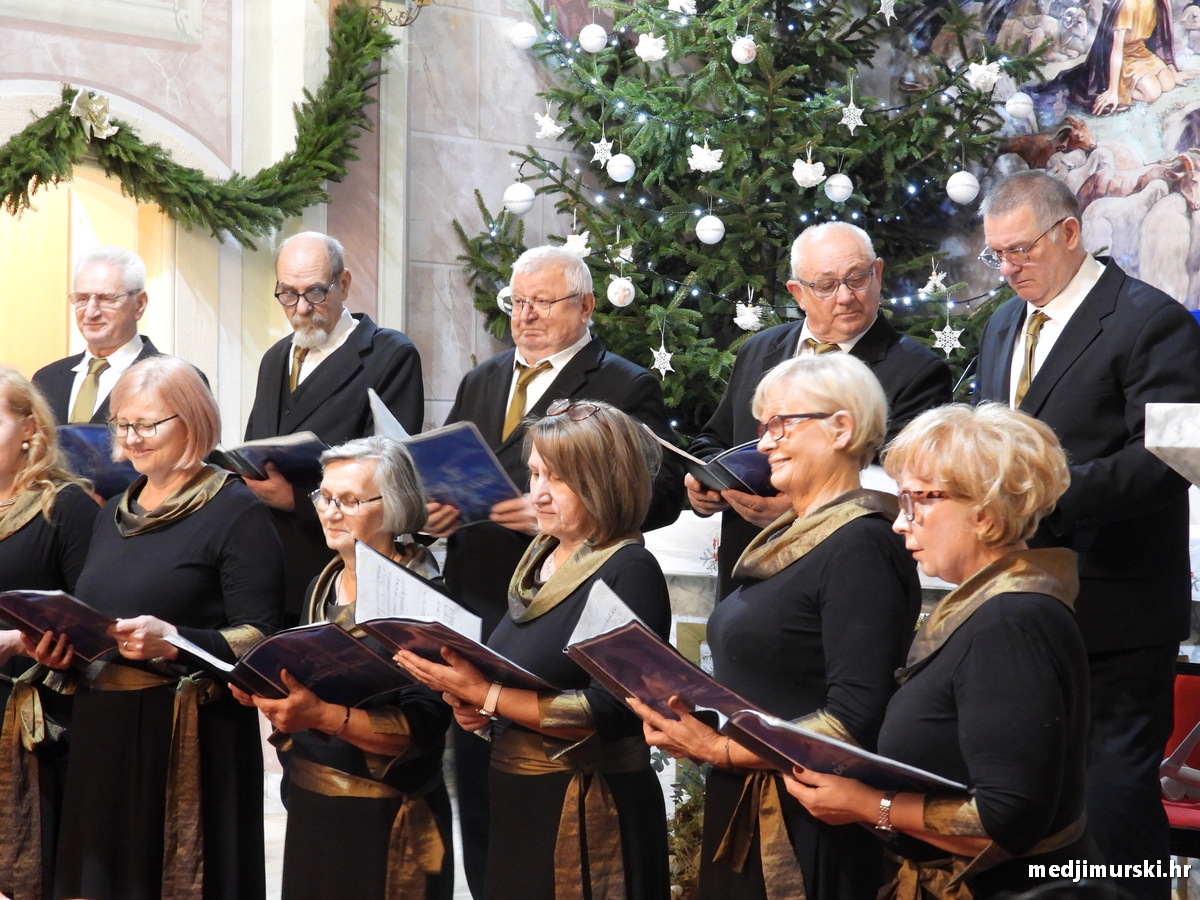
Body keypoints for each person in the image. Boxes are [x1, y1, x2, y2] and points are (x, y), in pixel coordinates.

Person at [424, 244, 684, 897]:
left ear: (586, 306)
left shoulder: (624, 383)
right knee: (486, 796)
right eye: (517, 302)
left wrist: (551, 510)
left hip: (578, 593)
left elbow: (656, 488)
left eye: (543, 301)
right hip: (488, 594)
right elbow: (459, 465)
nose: (526, 315)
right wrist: (441, 507)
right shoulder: (484, 380)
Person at [976, 170, 1200, 900]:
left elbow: (1178, 456)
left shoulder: (1151, 321)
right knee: (1035, 791)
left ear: (1070, 233)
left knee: (1110, 790)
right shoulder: (1004, 323)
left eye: (1021, 252)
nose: (1008, 271)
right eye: (996, 256)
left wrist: (1047, 500)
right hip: (1018, 597)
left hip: (1117, 606)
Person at [631, 353, 922, 900]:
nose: (763, 444)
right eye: (763, 427)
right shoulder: (792, 537)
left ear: (842, 428)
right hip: (750, 796)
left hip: (809, 820)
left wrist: (721, 750)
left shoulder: (861, 543)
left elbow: (855, 716)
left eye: (781, 425)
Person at [785, 403, 1093, 899]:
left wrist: (868, 804)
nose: (899, 524)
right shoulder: (990, 606)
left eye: (916, 502)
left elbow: (1006, 820)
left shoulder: (1011, 621)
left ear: (985, 513)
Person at [26, 355, 284, 900]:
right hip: (101, 729)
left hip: (185, 736)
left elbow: (259, 639)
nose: (132, 438)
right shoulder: (112, 512)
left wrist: (177, 640)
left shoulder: (236, 511)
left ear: (192, 421)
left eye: (148, 424)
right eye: (122, 424)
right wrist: (62, 647)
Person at [399, 401, 671, 900]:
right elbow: (525, 683)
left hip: (588, 812)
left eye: (559, 479)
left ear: (606, 482)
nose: (537, 495)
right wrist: (477, 708)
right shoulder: (540, 557)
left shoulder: (628, 569)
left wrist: (487, 695)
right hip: (520, 800)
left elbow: (612, 710)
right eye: (534, 473)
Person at [234, 436, 453, 900]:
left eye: (350, 501)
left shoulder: (421, 597)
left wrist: (320, 716)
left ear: (395, 508)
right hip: (316, 804)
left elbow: (424, 725)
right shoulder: (324, 580)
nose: (330, 512)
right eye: (325, 497)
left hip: (386, 819)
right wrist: (264, 689)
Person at [689, 221, 951, 600]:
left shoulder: (917, 370)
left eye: (857, 279)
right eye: (826, 286)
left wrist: (799, 507)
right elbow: (715, 438)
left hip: (845, 573)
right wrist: (704, 484)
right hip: (745, 568)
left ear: (878, 274)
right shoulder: (759, 349)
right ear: (798, 293)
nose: (845, 297)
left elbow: (908, 482)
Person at [243, 231, 424, 625]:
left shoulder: (390, 355)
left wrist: (295, 499)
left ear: (343, 284)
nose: (301, 308)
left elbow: (393, 482)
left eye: (315, 292)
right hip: (269, 563)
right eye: (288, 294)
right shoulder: (275, 359)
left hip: (340, 569)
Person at [0, 369, 98, 900]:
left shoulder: (66, 507)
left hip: (35, 714)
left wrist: (18, 641)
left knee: (34, 870)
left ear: (29, 428)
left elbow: (89, 616)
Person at [32, 246, 164, 425]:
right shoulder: (46, 380)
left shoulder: (174, 381)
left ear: (139, 304)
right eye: (82, 299)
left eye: (107, 299)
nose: (90, 312)